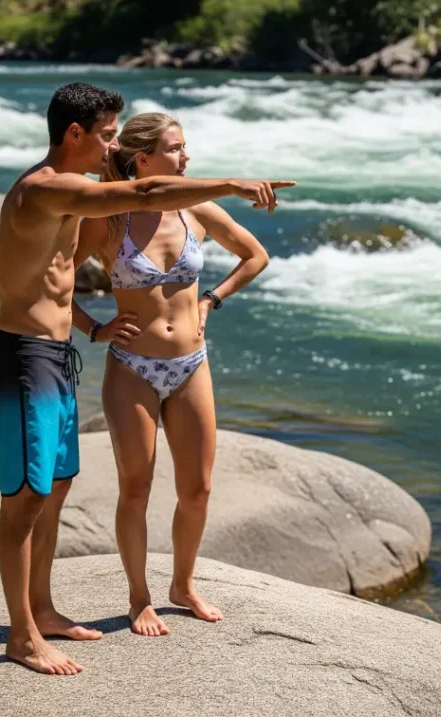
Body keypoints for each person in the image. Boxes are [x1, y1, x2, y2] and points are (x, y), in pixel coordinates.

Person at [0, 84, 294, 675]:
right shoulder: (51, 188)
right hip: (26, 356)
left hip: (55, 355)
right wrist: (232, 183)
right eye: (107, 135)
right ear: (75, 133)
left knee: (55, 489)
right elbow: (144, 190)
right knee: (25, 500)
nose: (114, 147)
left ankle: (42, 610)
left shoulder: (70, 195)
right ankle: (22, 636)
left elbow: (1, 255)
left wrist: (206, 302)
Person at [71, 112, 273, 637]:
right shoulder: (109, 218)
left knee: (198, 488)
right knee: (135, 489)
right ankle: (139, 597)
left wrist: (211, 300)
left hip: (191, 364)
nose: (187, 157)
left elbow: (255, 256)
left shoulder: (196, 209)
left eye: (185, 147)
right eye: (176, 148)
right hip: (131, 368)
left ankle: (183, 585)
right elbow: (53, 279)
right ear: (143, 159)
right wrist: (94, 329)